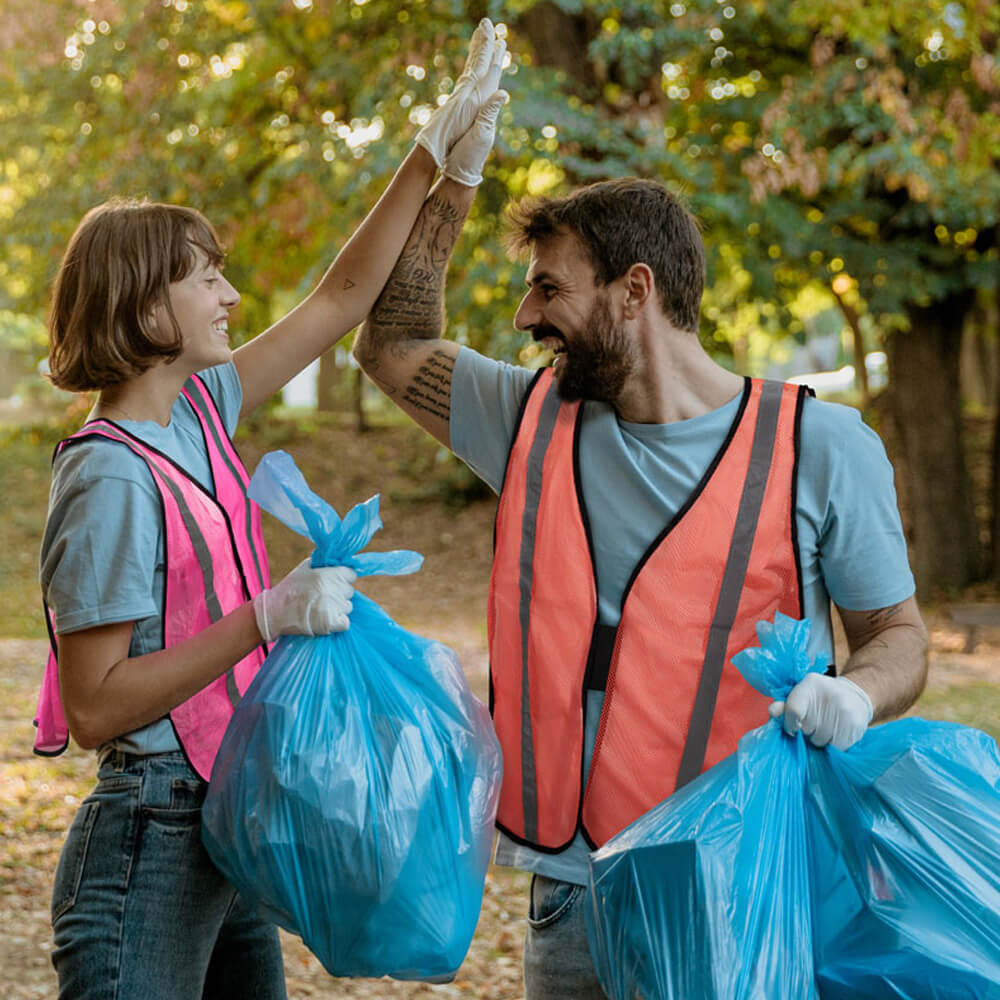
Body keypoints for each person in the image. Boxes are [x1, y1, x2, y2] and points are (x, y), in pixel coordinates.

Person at [353, 175, 929, 997]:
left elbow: (898, 637)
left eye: (549, 288)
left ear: (635, 291)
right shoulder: (526, 418)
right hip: (574, 896)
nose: (525, 317)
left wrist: (860, 696)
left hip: (738, 889)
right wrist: (451, 176)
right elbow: (390, 344)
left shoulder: (822, 445)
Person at [33, 19, 507, 1000]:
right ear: (140, 304)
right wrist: (265, 616)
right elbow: (95, 706)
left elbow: (339, 299)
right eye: (205, 276)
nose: (231, 293)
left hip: (226, 810)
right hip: (145, 840)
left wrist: (436, 160)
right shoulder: (108, 475)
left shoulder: (203, 409)